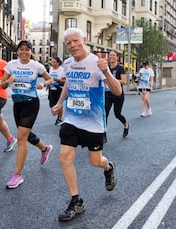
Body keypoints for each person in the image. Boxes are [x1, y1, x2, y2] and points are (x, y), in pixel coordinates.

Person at [51, 28, 121, 222]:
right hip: (72, 119)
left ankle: (108, 168)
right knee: (64, 157)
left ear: (85, 40)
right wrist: (59, 103)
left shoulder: (96, 63)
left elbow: (117, 91)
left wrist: (106, 71)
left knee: (95, 161)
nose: (72, 45)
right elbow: (68, 84)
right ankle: (76, 201)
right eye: (68, 43)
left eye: (76, 41)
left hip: (93, 123)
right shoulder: (67, 63)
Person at [1, 40, 54, 189]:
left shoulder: (36, 66)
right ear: (17, 51)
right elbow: (1, 84)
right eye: (21, 49)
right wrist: (8, 81)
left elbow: (50, 79)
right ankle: (45, 149)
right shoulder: (11, 64)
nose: (24, 52)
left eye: (27, 49)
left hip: (31, 102)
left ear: (30, 51)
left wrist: (43, 84)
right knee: (25, 134)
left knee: (21, 137)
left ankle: (17, 175)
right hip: (17, 102)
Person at [104, 50, 129, 141]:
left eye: (114, 55)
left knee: (117, 114)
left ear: (117, 57)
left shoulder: (120, 68)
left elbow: (124, 81)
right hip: (107, 93)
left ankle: (126, 125)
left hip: (118, 94)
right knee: (104, 113)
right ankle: (103, 134)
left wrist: (112, 81)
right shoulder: (106, 68)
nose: (112, 57)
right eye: (110, 55)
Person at [48, 56, 66, 125]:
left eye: (54, 62)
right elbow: (49, 78)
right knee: (52, 104)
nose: (53, 63)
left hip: (59, 89)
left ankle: (60, 118)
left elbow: (65, 81)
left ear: (58, 63)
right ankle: (59, 115)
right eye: (52, 62)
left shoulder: (62, 70)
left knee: (59, 104)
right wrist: (48, 85)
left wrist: (58, 80)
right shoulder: (50, 69)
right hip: (52, 89)